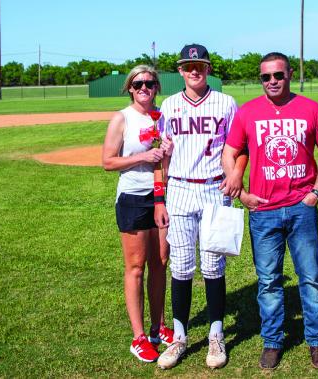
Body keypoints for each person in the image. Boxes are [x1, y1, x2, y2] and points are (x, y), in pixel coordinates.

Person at [222, 52, 318, 370]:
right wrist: (243, 194)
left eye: (278, 75)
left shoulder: (311, 109)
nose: (272, 81)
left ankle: (316, 341)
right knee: (269, 281)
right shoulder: (247, 113)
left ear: (289, 74)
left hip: (301, 209)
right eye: (265, 77)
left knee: (311, 278)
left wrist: (316, 191)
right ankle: (273, 342)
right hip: (264, 212)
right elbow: (229, 152)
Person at [153, 43, 242, 370]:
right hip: (179, 188)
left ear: (208, 68)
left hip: (214, 188)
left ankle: (216, 334)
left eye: (200, 65)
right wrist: (159, 197)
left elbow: (238, 146)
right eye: (189, 66)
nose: (194, 70)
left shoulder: (225, 102)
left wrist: (235, 173)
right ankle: (179, 336)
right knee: (181, 265)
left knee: (214, 264)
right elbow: (162, 156)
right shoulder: (169, 106)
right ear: (180, 70)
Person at [102, 65, 174, 363]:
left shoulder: (164, 117)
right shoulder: (122, 118)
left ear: (157, 87)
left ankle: (158, 328)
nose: (144, 88)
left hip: (162, 195)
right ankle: (139, 336)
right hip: (133, 197)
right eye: (138, 84)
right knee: (136, 266)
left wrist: (167, 152)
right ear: (130, 88)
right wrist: (143, 156)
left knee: (161, 262)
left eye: (150, 83)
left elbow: (168, 166)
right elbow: (107, 161)